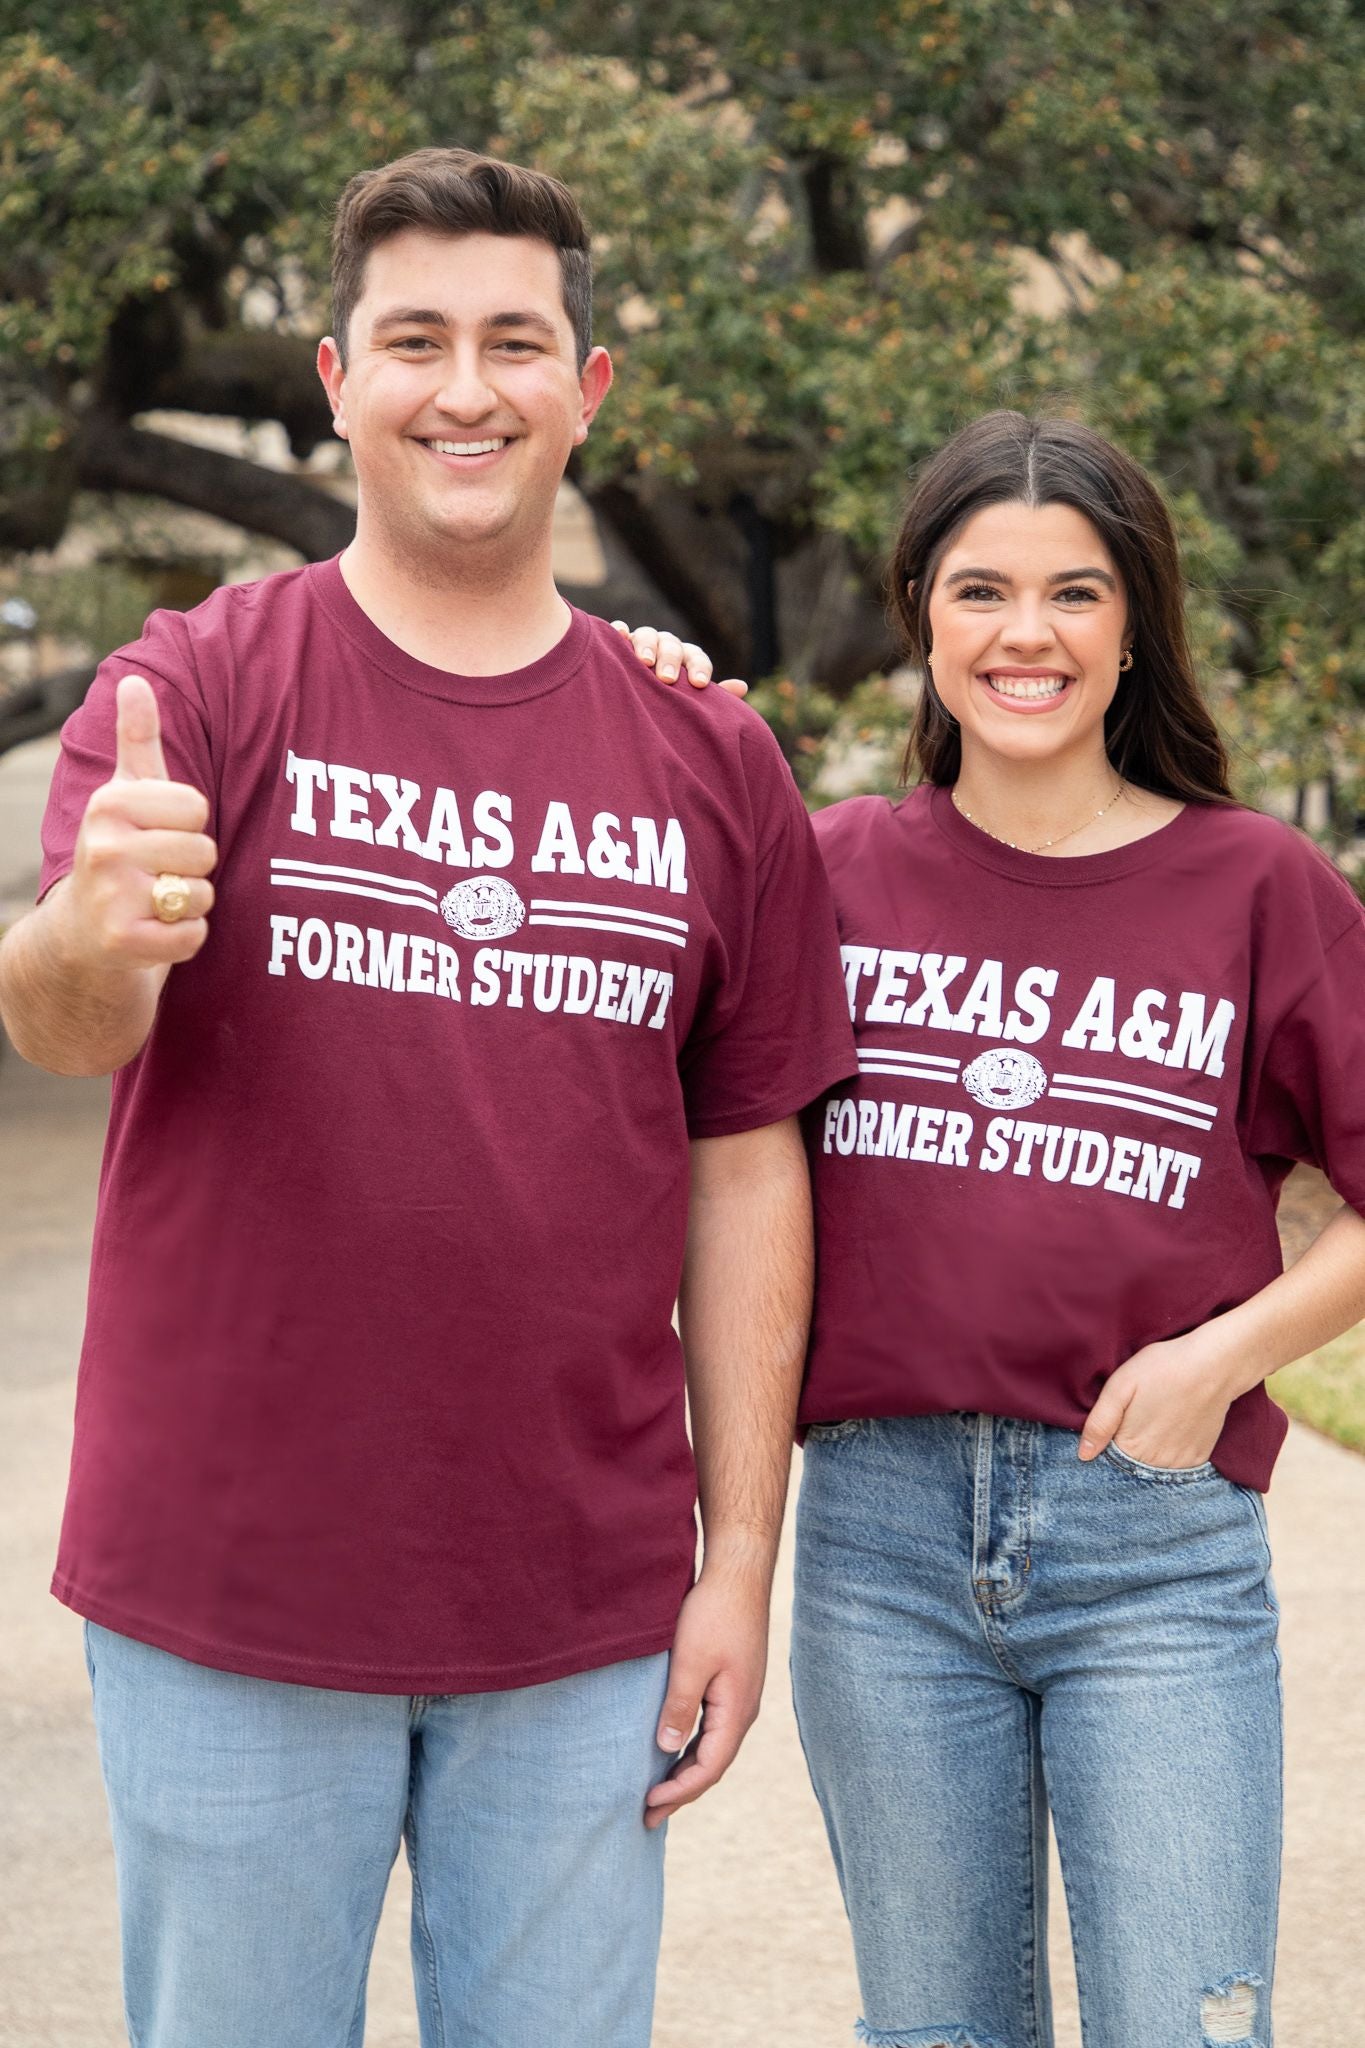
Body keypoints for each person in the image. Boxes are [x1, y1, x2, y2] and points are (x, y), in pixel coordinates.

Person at [0, 147, 856, 2048]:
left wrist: (736, 1560)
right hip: (229, 1595)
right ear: (331, 377)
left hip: (572, 1616)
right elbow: (62, 1022)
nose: (462, 387)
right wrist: (93, 929)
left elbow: (744, 1175)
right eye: (413, 341)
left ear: (587, 386)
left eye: (511, 341)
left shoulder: (710, 754)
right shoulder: (196, 689)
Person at [621, 409, 1365, 2048]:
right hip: (876, 1552)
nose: (1023, 634)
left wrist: (1219, 1359)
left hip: (1151, 1549)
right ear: (917, 612)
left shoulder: (1256, 887)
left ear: (1134, 624)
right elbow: (634, 1064)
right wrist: (651, 712)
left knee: (1188, 2027)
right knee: (938, 2032)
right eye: (979, 590)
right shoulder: (820, 872)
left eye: (1074, 593)